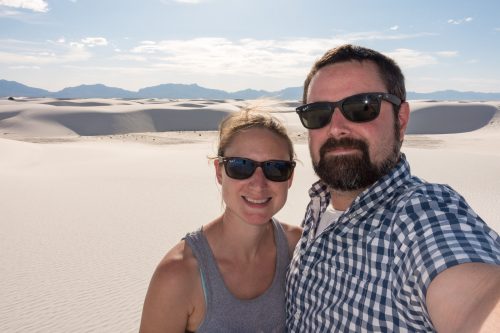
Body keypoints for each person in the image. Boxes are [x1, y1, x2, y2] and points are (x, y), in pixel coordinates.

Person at [286, 44, 500, 332]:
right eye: (318, 113)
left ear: (401, 119)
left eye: (362, 107)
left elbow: (479, 302)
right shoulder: (318, 209)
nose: (336, 128)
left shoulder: (423, 215)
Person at [139, 108, 302, 332]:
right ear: (219, 171)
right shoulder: (179, 274)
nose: (258, 183)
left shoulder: (300, 249)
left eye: (276, 168)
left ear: (290, 177)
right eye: (240, 166)